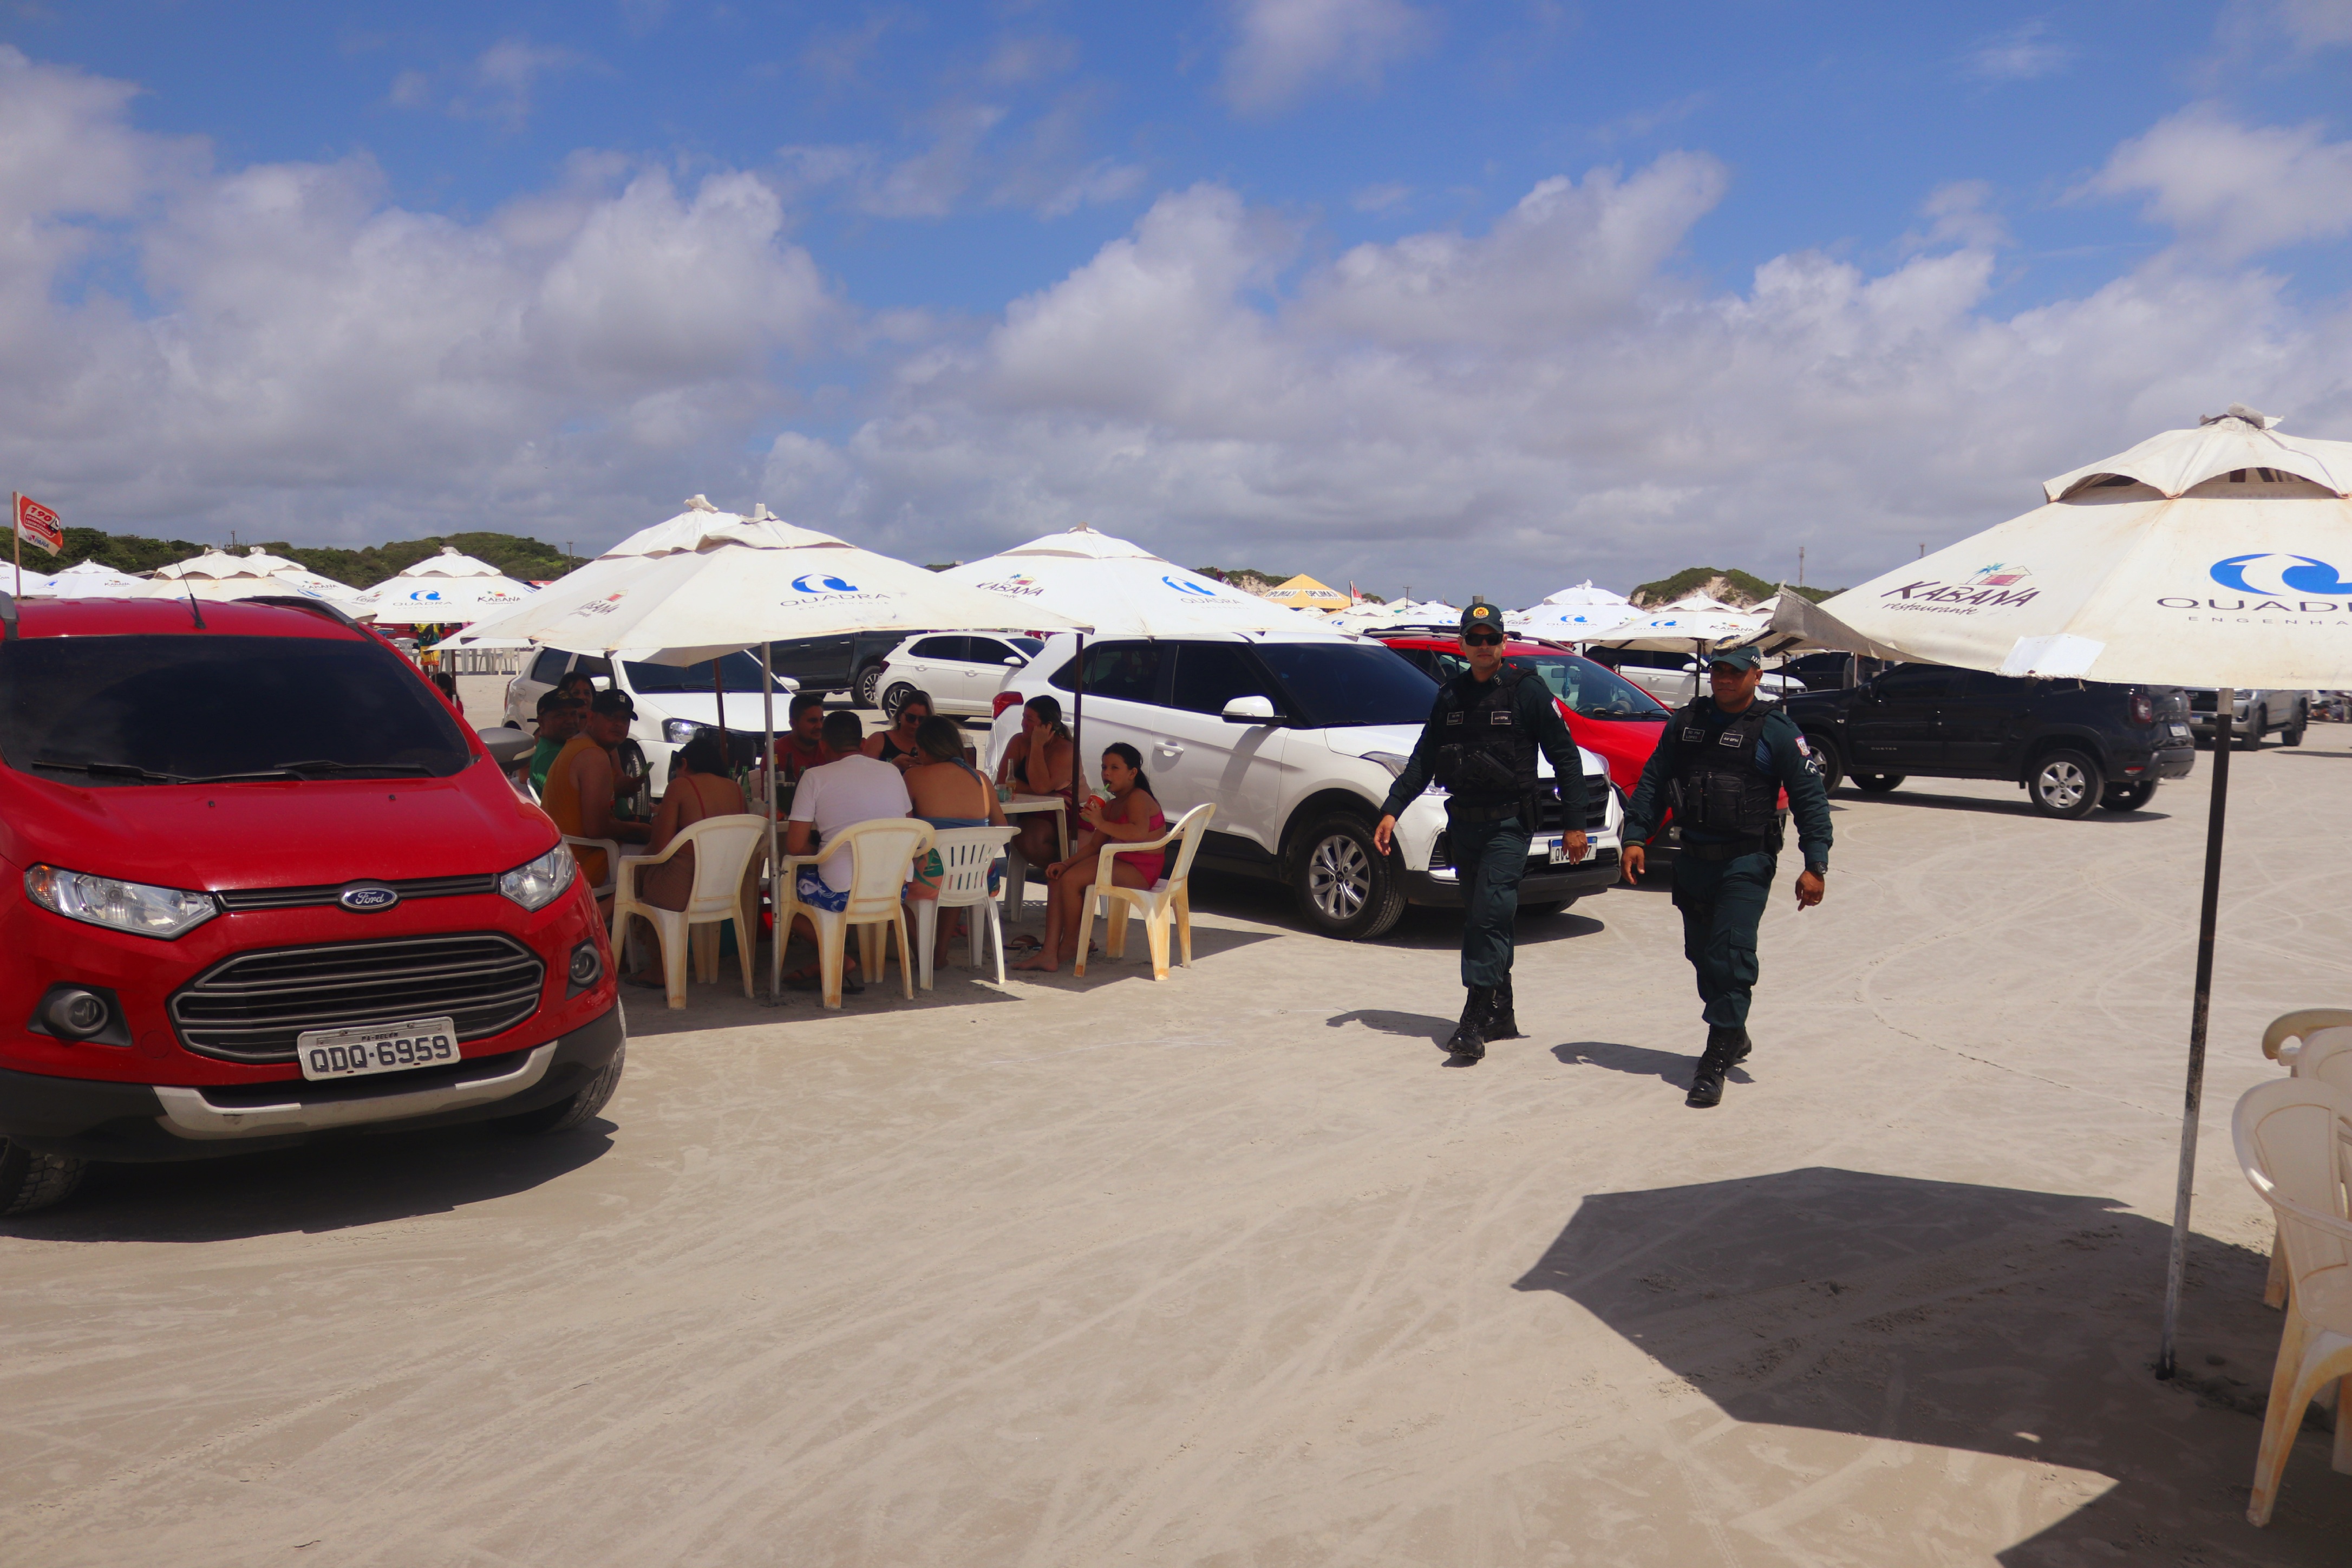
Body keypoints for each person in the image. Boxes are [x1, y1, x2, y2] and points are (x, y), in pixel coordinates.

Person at [1371, 599, 1591, 1063]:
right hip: (1464, 825)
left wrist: (1575, 825)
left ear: (1504, 643)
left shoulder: (1526, 692)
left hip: (1509, 825)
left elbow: (1566, 758)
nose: (1485, 646)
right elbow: (1423, 759)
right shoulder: (1450, 696)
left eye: (1493, 639)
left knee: (1489, 916)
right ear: (1463, 644)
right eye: (1476, 639)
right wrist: (1391, 810)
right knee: (1482, 917)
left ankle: (1473, 1018)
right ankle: (1503, 1011)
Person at [1620, 644, 1832, 1108]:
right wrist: (1636, 836)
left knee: (1730, 954)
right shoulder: (1686, 723)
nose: (1724, 680)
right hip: (1692, 857)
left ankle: (1714, 1057)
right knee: (1701, 954)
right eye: (1717, 671)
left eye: (1735, 673)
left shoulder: (1775, 729)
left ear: (1756, 676)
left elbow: (1810, 798)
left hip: (1746, 861)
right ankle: (1733, 1032)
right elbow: (1654, 781)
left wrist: (1815, 864)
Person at [782, 709, 913, 991]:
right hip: (894, 886)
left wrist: (822, 851)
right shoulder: (892, 771)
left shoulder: (815, 777)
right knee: (834, 875)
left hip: (842, 890)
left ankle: (837, 955)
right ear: (864, 744)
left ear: (823, 747)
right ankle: (837, 955)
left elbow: (794, 846)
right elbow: (909, 827)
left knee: (784, 891)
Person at [1014, 743, 1165, 974]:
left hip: (1140, 869)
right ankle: (1049, 952)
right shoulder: (1112, 804)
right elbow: (1095, 845)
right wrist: (1065, 863)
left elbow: (1139, 833)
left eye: (1115, 768)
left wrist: (1100, 823)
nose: (1107, 773)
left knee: (1072, 881)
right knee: (1059, 877)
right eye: (1105, 767)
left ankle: (1072, 943)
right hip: (1117, 861)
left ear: (1132, 773)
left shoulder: (1138, 798)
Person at [618, 728, 748, 989]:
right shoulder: (735, 789)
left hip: (683, 887)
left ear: (685, 764)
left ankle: (657, 968)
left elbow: (660, 846)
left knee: (639, 875)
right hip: (724, 886)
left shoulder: (680, 786)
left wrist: (659, 817)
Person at [904, 714, 1009, 965]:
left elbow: (905, 829)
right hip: (978, 876)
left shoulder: (914, 777)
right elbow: (1002, 827)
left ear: (925, 747)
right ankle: (940, 951)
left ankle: (923, 950)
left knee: (890, 885)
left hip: (932, 877)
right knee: (956, 867)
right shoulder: (981, 779)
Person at [540, 689, 652, 900]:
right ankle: (616, 917)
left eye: (625, 719)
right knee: (669, 856)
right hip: (586, 862)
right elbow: (596, 828)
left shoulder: (580, 747)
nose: (619, 724)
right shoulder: (593, 755)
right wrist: (641, 830)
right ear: (591, 717)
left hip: (566, 858)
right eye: (611, 717)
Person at [996, 694, 1074, 868]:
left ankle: (1061, 870)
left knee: (1031, 840)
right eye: (1023, 717)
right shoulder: (1018, 741)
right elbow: (1002, 781)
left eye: (1030, 719)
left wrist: (1037, 745)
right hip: (1029, 809)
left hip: (1064, 813)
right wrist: (1051, 795)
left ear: (1047, 726)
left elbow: (1041, 786)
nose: (1023, 723)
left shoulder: (1065, 749)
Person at [522, 690, 583, 797]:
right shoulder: (550, 756)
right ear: (541, 722)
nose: (570, 721)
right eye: (560, 715)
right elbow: (566, 802)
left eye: (573, 714)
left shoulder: (562, 747)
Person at [863, 690, 934, 771]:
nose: (916, 723)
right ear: (900, 715)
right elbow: (865, 772)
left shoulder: (935, 745)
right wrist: (892, 764)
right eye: (911, 718)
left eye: (922, 719)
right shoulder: (879, 740)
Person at [773, 692, 834, 783]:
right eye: (813, 721)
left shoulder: (830, 747)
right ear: (793, 724)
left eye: (822, 720)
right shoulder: (776, 753)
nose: (820, 726)